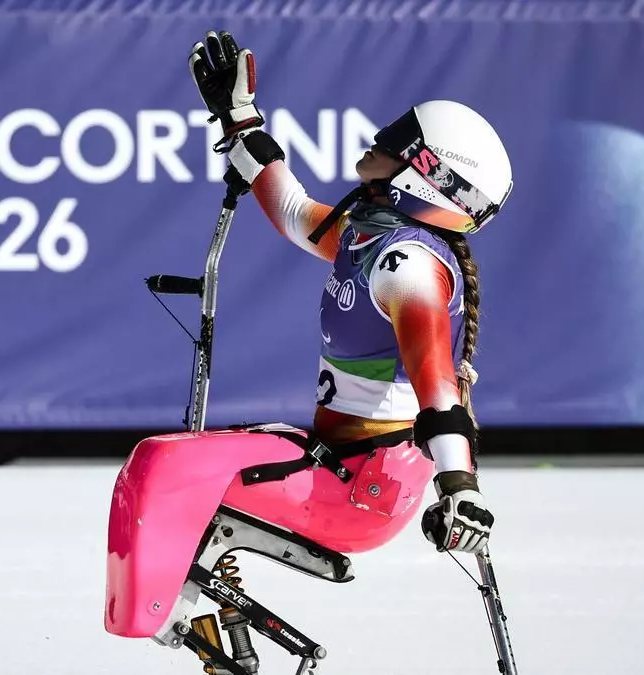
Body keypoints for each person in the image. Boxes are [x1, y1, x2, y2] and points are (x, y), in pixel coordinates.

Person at [190, 31, 513, 555]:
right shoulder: (372, 238)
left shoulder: (405, 265)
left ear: (427, 176)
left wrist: (459, 485)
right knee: (181, 471)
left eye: (398, 142)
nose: (379, 140)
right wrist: (240, 117)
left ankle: (170, 622)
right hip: (343, 464)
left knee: (172, 473)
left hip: (362, 489)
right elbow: (294, 213)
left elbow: (437, 386)